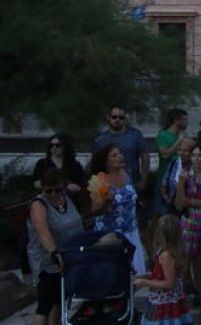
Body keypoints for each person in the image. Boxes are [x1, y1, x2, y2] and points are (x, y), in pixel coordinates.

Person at [26, 169, 83, 325]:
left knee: (59, 302)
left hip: (69, 256)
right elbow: (42, 230)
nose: (53, 194)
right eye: (48, 190)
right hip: (47, 260)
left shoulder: (67, 199)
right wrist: (54, 253)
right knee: (45, 304)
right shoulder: (39, 204)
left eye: (57, 190)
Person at [90, 143, 147, 274]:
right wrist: (105, 202)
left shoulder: (127, 173)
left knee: (134, 275)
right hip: (110, 235)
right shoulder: (99, 180)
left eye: (120, 153)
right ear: (106, 162)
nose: (120, 157)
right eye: (114, 155)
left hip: (131, 230)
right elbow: (95, 210)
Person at [174, 143, 201, 319]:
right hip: (189, 223)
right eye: (194, 155)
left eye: (200, 155)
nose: (196, 159)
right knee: (184, 266)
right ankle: (180, 306)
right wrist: (181, 186)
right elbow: (179, 204)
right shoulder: (184, 176)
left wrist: (191, 201)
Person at [136, 214, 192, 325]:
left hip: (165, 302)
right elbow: (164, 273)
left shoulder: (166, 255)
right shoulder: (173, 252)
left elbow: (169, 283)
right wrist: (147, 275)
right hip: (168, 300)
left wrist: (145, 282)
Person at [93, 106, 149, 204]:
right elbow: (96, 163)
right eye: (114, 117)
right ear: (108, 117)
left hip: (133, 182)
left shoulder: (135, 135)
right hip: (109, 186)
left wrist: (144, 180)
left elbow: (144, 156)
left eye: (121, 117)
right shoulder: (100, 140)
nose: (117, 120)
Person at [31, 133, 87, 213]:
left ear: (65, 146)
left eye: (58, 145)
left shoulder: (74, 165)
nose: (54, 148)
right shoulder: (42, 163)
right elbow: (35, 182)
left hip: (71, 203)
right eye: (51, 145)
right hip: (48, 202)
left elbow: (80, 185)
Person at [154, 109, 189, 217]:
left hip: (179, 179)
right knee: (160, 214)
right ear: (176, 120)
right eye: (184, 119)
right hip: (164, 180)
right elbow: (165, 154)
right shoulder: (163, 135)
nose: (186, 122)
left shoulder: (183, 135)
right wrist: (178, 141)